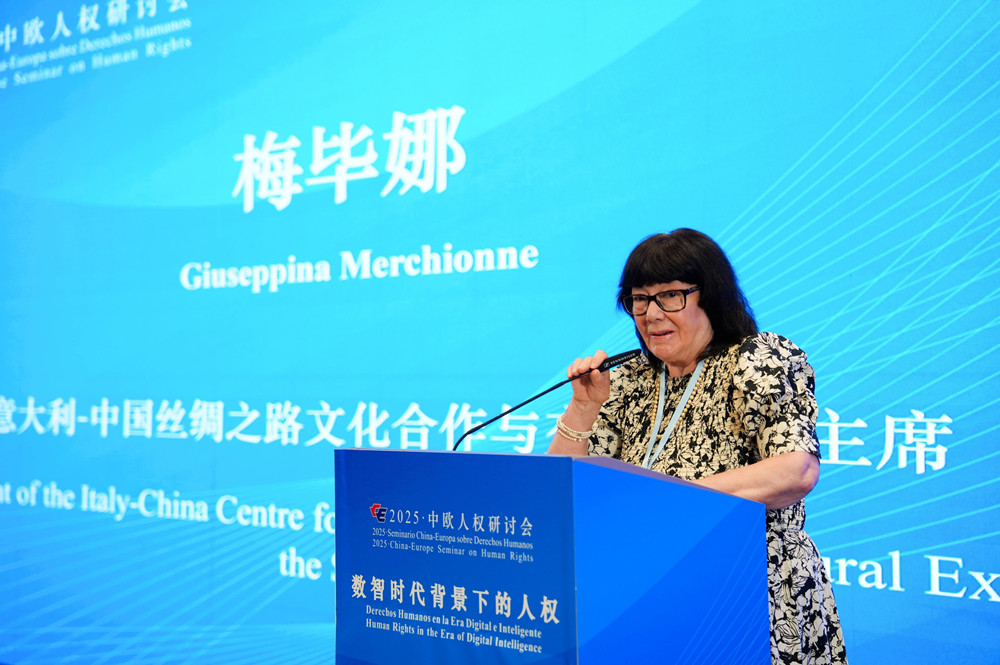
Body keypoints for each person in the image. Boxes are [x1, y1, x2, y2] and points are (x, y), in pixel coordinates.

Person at [548, 229, 848, 665]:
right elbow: (560, 492)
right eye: (639, 299)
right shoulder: (628, 380)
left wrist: (664, 500)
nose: (651, 314)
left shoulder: (756, 360)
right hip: (648, 592)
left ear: (712, 295)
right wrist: (582, 407)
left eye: (670, 295)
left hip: (745, 592)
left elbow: (795, 471)